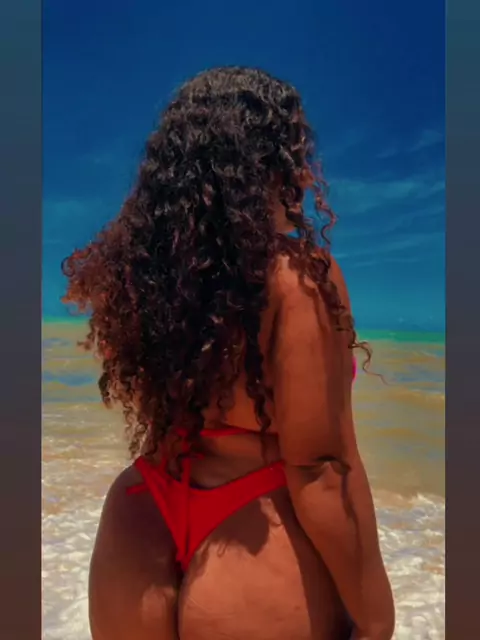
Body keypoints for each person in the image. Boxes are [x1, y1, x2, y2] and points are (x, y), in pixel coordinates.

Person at [62, 66, 395, 640]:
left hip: (140, 515)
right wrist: (377, 618)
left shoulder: (142, 279)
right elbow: (320, 467)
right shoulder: (295, 277)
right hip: (256, 531)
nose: (304, 175)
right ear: (263, 165)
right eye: (294, 155)